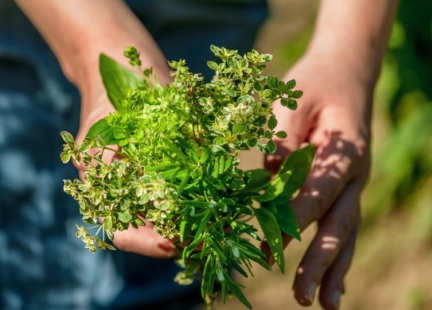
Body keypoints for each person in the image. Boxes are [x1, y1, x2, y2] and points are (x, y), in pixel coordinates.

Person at [0, 0, 397, 309]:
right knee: (45, 269)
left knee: (173, 258)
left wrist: (349, 50)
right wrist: (94, 46)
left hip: (210, 12)